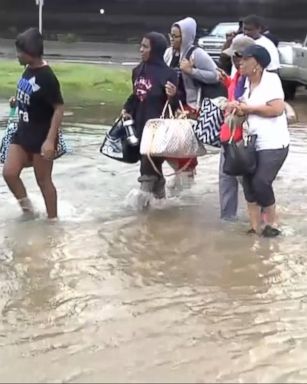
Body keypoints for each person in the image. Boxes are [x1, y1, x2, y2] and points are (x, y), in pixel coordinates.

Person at [2, 28, 64, 220]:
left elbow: (59, 108)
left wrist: (49, 141)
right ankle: (29, 211)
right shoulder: (29, 69)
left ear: (30, 53)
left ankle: (53, 222)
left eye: (20, 52)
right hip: (22, 132)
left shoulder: (47, 77)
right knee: (9, 173)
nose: (17, 56)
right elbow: (31, 94)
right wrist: (18, 100)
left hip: (41, 136)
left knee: (43, 181)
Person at [228, 45, 289, 237]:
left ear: (258, 64)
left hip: (274, 143)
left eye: (245, 59)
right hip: (251, 143)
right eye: (239, 59)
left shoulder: (271, 80)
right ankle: (255, 227)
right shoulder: (244, 84)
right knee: (248, 183)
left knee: (261, 182)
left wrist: (247, 108)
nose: (240, 62)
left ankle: (272, 223)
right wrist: (236, 109)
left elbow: (277, 109)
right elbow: (244, 110)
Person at [122, 32, 177, 200]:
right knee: (153, 168)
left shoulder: (169, 74)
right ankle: (160, 210)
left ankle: (141, 213)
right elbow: (136, 96)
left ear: (155, 50)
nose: (141, 50)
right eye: (141, 46)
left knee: (147, 169)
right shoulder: (137, 70)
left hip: (158, 131)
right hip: (140, 126)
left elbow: (174, 107)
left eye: (145, 47)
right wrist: (126, 108)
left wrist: (173, 96)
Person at [164, 17, 219, 183]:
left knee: (183, 147)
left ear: (186, 36)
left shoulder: (197, 54)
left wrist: (191, 71)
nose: (172, 39)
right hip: (171, 105)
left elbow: (215, 75)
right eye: (171, 35)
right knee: (166, 145)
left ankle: (187, 180)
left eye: (176, 36)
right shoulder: (168, 53)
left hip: (189, 108)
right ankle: (179, 176)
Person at [218, 35, 255, 221]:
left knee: (249, 186)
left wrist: (235, 106)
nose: (232, 60)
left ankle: (263, 221)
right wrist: (226, 82)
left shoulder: (254, 80)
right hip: (228, 137)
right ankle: (227, 223)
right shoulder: (238, 76)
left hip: (242, 141)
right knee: (226, 183)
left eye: (235, 57)